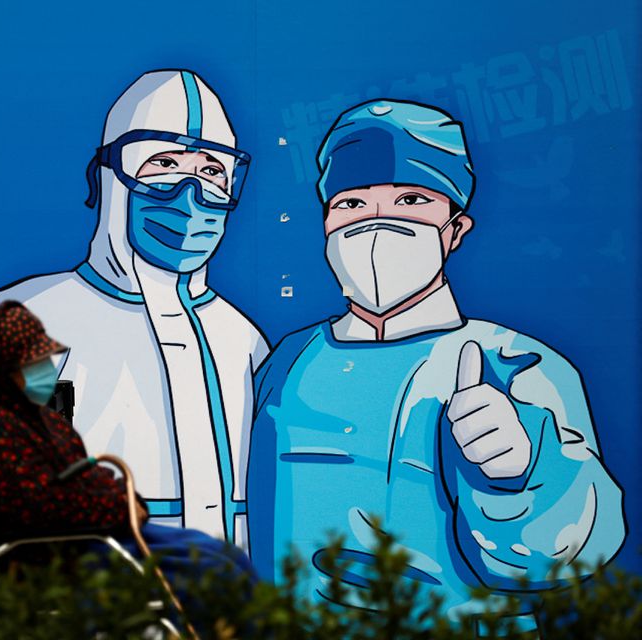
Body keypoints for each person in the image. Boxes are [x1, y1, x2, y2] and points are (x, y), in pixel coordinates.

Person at [0, 70, 268, 577]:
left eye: (211, 171)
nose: (191, 194)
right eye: (163, 164)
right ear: (108, 179)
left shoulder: (241, 339)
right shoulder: (36, 318)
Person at [246, 100, 625, 628]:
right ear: (326, 223)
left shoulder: (516, 365)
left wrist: (521, 475)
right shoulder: (287, 363)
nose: (376, 223)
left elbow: (573, 550)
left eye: (411, 200)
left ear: (455, 230)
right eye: (351, 204)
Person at [0, 300, 258, 634]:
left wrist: (129, 501)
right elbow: (39, 508)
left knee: (225, 556)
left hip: (98, 535)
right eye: (33, 363)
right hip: (60, 555)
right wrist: (119, 508)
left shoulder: (45, 420)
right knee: (211, 574)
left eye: (44, 359)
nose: (46, 369)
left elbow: (86, 476)